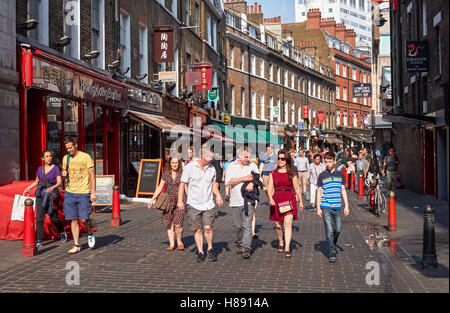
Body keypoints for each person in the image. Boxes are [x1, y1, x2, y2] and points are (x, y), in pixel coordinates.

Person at [177, 145, 223, 262]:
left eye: (212, 156)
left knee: (208, 227)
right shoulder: (189, 167)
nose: (211, 159)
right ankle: (200, 251)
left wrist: (218, 195)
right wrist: (179, 201)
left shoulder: (212, 168)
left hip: (208, 203)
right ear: (202, 155)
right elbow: (182, 184)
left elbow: (213, 184)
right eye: (209, 156)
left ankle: (210, 249)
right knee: (197, 229)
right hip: (193, 203)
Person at [61, 137, 96, 254]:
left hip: (83, 192)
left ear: (75, 145)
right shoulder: (66, 158)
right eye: (67, 148)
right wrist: (63, 174)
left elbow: (92, 175)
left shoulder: (85, 157)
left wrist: (93, 192)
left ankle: (90, 232)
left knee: (84, 219)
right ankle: (76, 244)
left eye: (70, 147)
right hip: (70, 192)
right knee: (73, 219)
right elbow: (64, 174)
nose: (69, 150)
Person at [24, 150, 66, 247]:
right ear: (42, 158)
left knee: (53, 217)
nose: (49, 158)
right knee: (39, 218)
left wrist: (52, 187)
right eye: (47, 156)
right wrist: (28, 188)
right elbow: (36, 181)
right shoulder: (40, 169)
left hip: (51, 195)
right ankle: (39, 240)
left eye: (50, 156)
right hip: (41, 195)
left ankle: (62, 231)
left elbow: (59, 182)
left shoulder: (55, 168)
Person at [267, 149, 304, 258]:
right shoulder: (273, 173)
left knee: (288, 224)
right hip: (276, 200)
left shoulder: (291, 173)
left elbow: (296, 187)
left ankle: (287, 248)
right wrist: (270, 198)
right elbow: (269, 187)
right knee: (278, 226)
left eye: (282, 159)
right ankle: (280, 241)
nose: (280, 160)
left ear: (287, 160)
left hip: (289, 198)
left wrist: (301, 201)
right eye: (278, 158)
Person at [225, 146, 260, 259]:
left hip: (249, 200)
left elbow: (259, 179)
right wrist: (244, 179)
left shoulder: (252, 165)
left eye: (249, 156)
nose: (248, 158)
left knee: (247, 225)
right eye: (245, 156)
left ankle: (246, 248)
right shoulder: (231, 166)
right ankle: (240, 242)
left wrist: (253, 184)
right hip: (235, 200)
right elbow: (229, 181)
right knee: (238, 226)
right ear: (239, 155)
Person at [316, 151, 349, 263]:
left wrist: (347, 206)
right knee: (329, 230)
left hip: (337, 206)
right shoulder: (322, 175)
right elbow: (319, 191)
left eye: (330, 162)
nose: (328, 164)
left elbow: (343, 190)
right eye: (326, 162)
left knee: (338, 229)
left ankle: (332, 243)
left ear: (334, 161)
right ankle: (331, 251)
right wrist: (318, 207)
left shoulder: (340, 174)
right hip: (326, 205)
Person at [149, 156, 187, 251]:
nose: (174, 164)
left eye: (176, 163)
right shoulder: (165, 174)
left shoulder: (183, 174)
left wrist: (190, 200)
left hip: (180, 200)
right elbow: (159, 187)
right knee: (169, 223)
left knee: (178, 224)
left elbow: (186, 187)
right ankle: (171, 244)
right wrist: (152, 199)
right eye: (173, 162)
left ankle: (179, 241)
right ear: (170, 163)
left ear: (179, 164)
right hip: (168, 201)